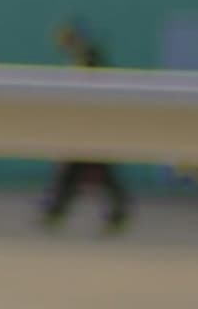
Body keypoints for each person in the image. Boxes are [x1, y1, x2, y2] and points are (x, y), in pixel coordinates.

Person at [44, 17, 132, 232]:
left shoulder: (89, 58)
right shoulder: (84, 57)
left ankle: (56, 212)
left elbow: (91, 94)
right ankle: (57, 211)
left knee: (83, 172)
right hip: (88, 127)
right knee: (86, 172)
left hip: (92, 127)